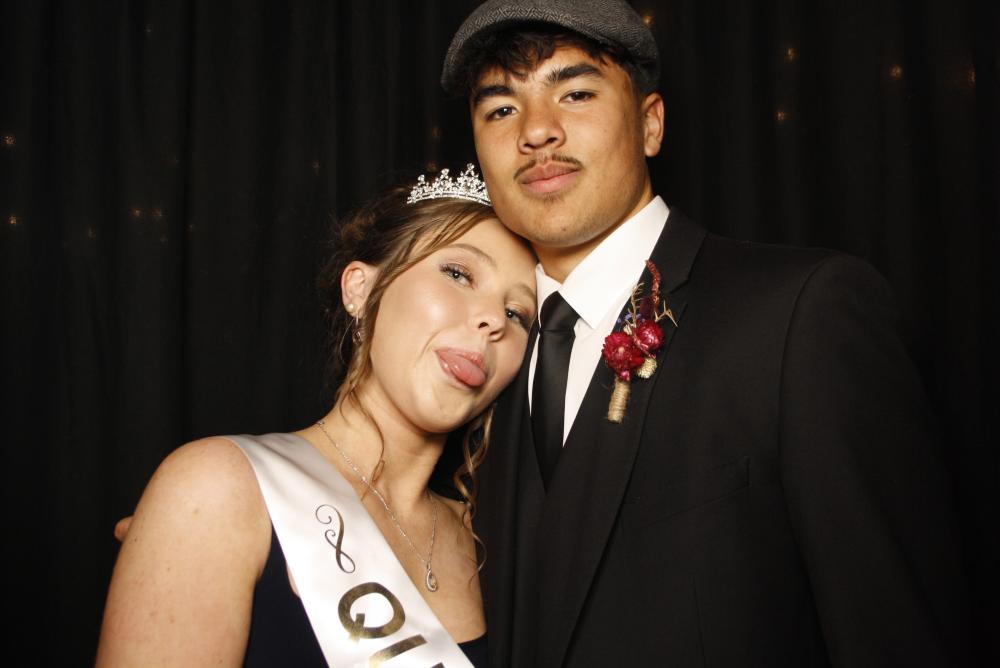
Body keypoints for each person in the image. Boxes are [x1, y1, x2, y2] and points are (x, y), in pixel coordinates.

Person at [439, 1, 973, 666]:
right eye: (500, 109)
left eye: (575, 93)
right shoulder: (480, 358)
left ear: (650, 123)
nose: (537, 131)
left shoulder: (801, 314)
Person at [96, 168, 538, 667]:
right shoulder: (221, 489)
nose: (493, 320)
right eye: (458, 274)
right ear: (362, 289)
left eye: (518, 313)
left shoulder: (491, 541)